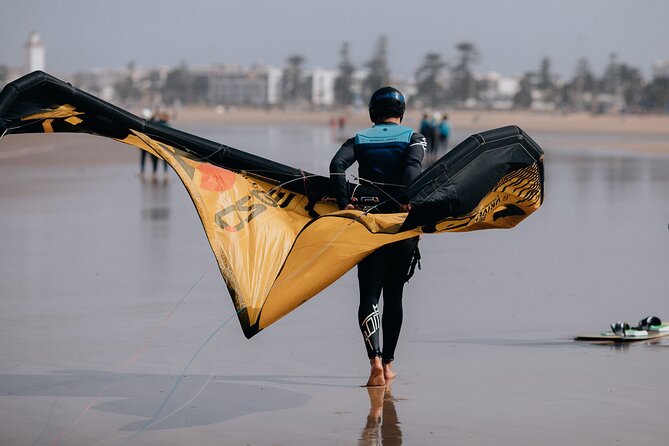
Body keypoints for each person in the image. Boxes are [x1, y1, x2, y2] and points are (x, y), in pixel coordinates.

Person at [329, 87, 426, 387]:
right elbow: (412, 169)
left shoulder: (358, 139)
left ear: (373, 112)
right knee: (394, 295)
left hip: (367, 226)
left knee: (369, 293)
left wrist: (344, 201)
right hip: (399, 226)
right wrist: (406, 199)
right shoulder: (414, 138)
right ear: (402, 112)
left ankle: (373, 360)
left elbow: (337, 166)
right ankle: (388, 365)